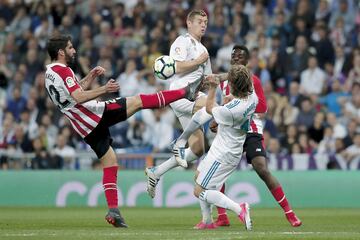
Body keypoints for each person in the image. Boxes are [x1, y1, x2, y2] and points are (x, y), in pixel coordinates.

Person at [45, 35, 198, 228]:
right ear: (61, 52)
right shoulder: (64, 69)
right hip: (94, 114)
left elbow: (71, 93)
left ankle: (114, 211)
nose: (73, 50)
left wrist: (90, 76)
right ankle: (185, 92)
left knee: (110, 162)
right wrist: (104, 89)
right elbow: (78, 96)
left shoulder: (49, 74)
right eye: (70, 47)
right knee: (139, 101)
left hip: (83, 126)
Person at [146, 45, 302, 228]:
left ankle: (288, 212)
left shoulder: (253, 82)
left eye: (240, 56)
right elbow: (223, 103)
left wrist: (226, 116)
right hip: (229, 129)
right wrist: (221, 118)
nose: (236, 58)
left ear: (248, 62)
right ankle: (219, 217)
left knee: (261, 168)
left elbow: (260, 111)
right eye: (233, 56)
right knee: (213, 170)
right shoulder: (226, 81)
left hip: (248, 129)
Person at [145, 9, 211, 195]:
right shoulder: (183, 42)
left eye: (205, 21)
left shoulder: (204, 50)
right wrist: (198, 61)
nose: (203, 24)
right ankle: (179, 141)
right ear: (189, 23)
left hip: (193, 97)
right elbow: (175, 67)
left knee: (198, 150)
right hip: (180, 93)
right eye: (199, 21)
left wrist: (228, 78)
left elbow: (207, 79)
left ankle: (156, 172)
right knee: (212, 107)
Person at [194, 65, 257, 230]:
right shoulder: (252, 97)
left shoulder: (230, 111)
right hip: (225, 147)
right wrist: (228, 94)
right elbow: (235, 99)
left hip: (223, 153)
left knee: (199, 191)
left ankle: (239, 209)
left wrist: (213, 87)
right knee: (199, 175)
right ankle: (207, 221)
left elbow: (209, 108)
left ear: (234, 85)